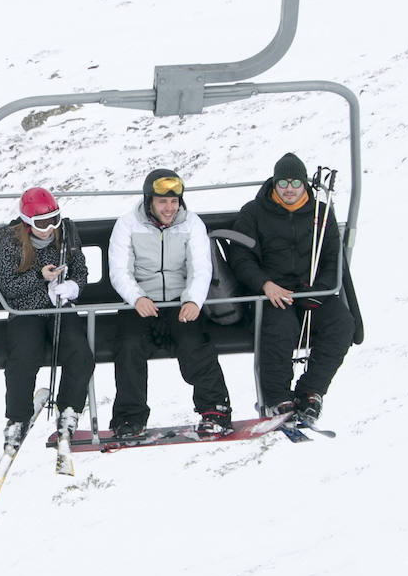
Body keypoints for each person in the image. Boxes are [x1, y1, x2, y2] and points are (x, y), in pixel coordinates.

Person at [227, 152, 354, 427]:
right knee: (281, 328)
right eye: (283, 183)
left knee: (342, 324)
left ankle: (311, 391)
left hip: (311, 292)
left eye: (295, 183)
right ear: (274, 183)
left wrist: (318, 291)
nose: (288, 189)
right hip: (272, 293)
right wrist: (265, 284)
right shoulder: (254, 212)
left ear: (304, 184)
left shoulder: (321, 212)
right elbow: (240, 257)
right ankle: (277, 398)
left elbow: (333, 257)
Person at [108, 168, 231, 438]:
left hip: (179, 300)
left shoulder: (191, 224)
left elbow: (200, 268)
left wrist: (193, 300)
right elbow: (119, 270)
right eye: (163, 201)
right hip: (140, 302)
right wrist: (137, 297)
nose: (169, 208)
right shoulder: (128, 224)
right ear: (149, 200)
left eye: (174, 201)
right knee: (129, 347)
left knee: (194, 343)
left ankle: (215, 409)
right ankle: (129, 418)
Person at [0, 187, 95, 448]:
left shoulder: (66, 236)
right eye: (42, 223)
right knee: (24, 357)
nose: (49, 228)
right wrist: (40, 277)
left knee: (80, 353)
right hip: (25, 312)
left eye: (54, 220)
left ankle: (69, 410)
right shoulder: (11, 242)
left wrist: (73, 287)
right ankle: (17, 418)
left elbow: (80, 270)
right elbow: (8, 287)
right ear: (27, 222)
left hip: (59, 307)